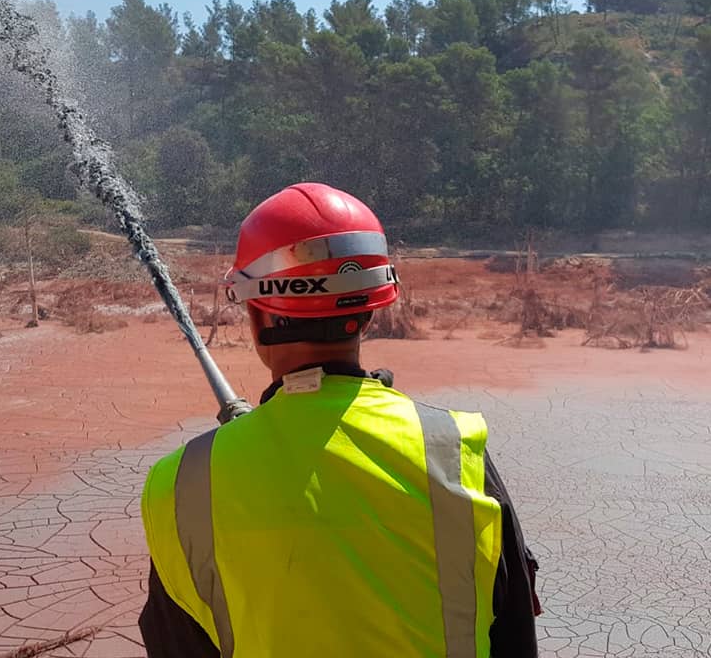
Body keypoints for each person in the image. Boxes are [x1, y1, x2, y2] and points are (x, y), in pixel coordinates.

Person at [138, 182, 541, 657]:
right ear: (370, 312)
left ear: (257, 315)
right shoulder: (453, 449)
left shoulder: (182, 483)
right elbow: (514, 633)